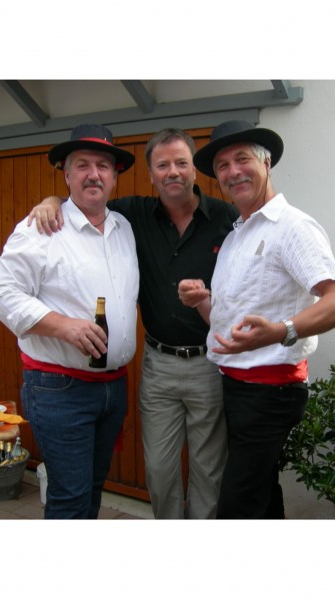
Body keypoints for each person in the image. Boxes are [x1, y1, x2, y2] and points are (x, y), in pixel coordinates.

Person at [27, 128, 237, 519]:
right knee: (159, 470)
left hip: (209, 362)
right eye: (162, 165)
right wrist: (51, 201)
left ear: (194, 169)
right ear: (151, 174)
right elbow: (84, 200)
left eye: (181, 163)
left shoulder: (227, 218)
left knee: (209, 471)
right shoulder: (131, 216)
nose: (172, 172)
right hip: (159, 365)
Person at [178, 120, 335, 519]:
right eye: (222, 166)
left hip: (270, 393)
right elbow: (229, 322)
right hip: (237, 388)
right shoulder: (237, 234)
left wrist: (281, 331)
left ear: (266, 163)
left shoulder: (292, 227)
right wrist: (203, 301)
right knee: (260, 492)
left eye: (242, 159)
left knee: (238, 506)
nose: (233, 172)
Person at [0, 124, 140, 519]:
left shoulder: (124, 228)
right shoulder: (40, 228)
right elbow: (2, 294)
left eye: (103, 166)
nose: (94, 174)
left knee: (91, 489)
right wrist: (63, 325)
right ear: (66, 174)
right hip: (60, 388)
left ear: (115, 175)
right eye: (82, 165)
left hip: (113, 388)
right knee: (70, 496)